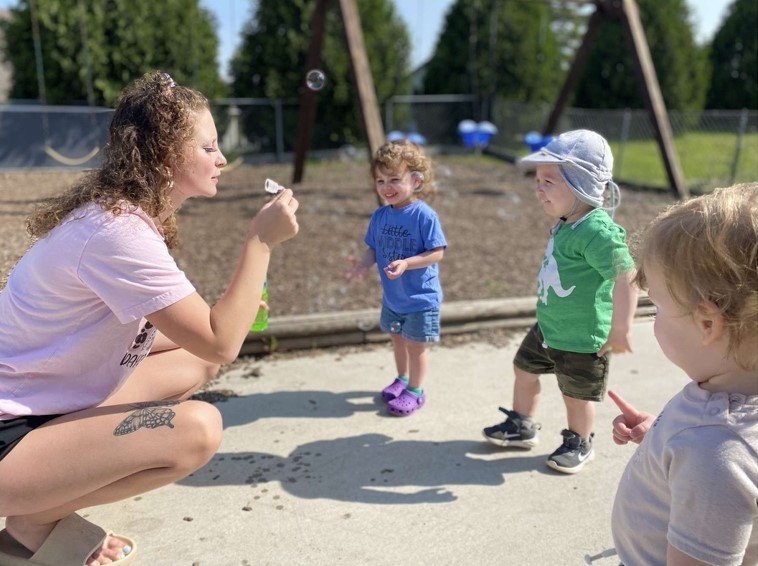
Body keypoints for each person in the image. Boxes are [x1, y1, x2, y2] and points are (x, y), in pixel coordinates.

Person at [0, 70, 299, 566]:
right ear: (165, 155)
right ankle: (32, 522)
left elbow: (197, 345)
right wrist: (261, 241)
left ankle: (35, 515)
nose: (222, 159)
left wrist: (227, 315)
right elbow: (222, 341)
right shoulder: (117, 234)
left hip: (38, 408)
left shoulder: (120, 218)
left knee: (193, 362)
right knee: (197, 430)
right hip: (9, 436)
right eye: (209, 147)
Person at [609, 183, 758, 566]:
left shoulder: (714, 452)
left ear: (707, 323)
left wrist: (693, 444)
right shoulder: (725, 400)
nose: (653, 318)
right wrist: (662, 438)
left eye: (655, 305)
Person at [482, 129, 638, 473]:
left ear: (581, 183)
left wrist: (621, 328)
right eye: (537, 180)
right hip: (549, 328)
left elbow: (626, 276)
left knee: (575, 395)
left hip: (582, 339)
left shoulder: (596, 230)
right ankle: (522, 424)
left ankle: (580, 443)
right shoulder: (567, 223)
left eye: (548, 181)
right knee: (523, 369)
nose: (538, 189)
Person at [343, 140, 447, 416]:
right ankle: (402, 380)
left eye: (394, 180)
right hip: (393, 298)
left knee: (416, 347)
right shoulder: (380, 216)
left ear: (415, 181)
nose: (386, 187)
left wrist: (407, 263)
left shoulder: (424, 215)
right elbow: (373, 249)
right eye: (380, 180)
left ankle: (416, 391)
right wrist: (362, 266)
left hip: (420, 299)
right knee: (397, 340)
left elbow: (437, 253)